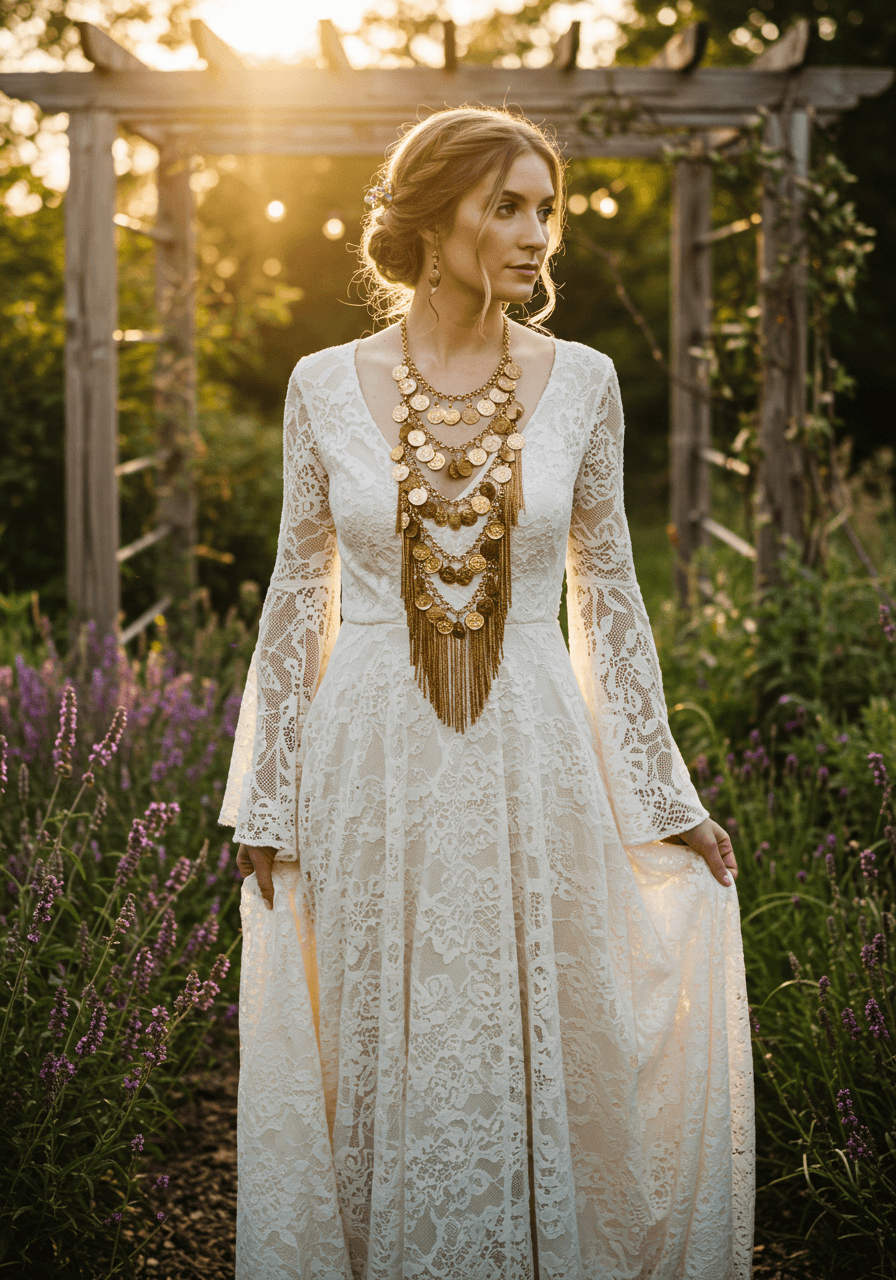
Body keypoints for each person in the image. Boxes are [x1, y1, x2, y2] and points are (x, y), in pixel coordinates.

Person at [221, 105, 754, 1280]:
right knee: (377, 1036)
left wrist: (665, 795)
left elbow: (608, 596)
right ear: (431, 216)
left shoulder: (585, 384)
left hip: (531, 752)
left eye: (543, 209)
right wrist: (266, 797)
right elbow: (292, 596)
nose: (534, 236)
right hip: (370, 760)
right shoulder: (318, 386)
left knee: (530, 1039)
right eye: (505, 206)